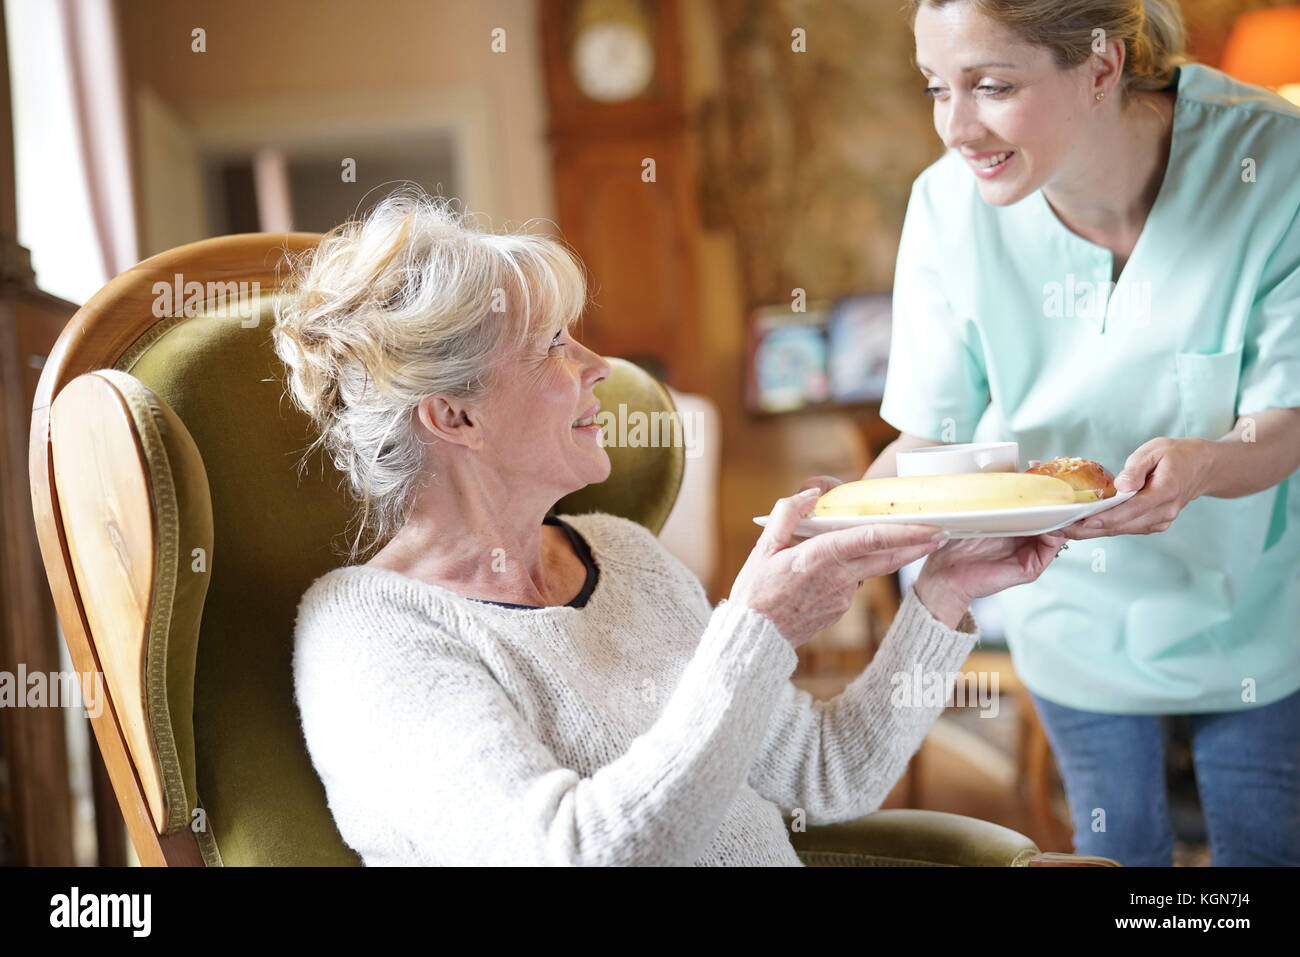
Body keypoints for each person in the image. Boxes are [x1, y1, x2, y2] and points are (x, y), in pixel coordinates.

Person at [273, 189, 1068, 865]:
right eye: (552, 345)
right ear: (455, 415)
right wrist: (755, 631)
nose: (599, 367)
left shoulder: (625, 555)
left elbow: (829, 771)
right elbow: (576, 853)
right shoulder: (366, 638)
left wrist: (942, 594)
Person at [807, 0, 1300, 866]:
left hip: (1255, 606)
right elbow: (930, 443)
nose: (956, 128)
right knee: (1117, 862)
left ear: (1102, 67)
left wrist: (1204, 463)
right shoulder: (946, 210)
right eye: (935, 88)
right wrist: (834, 519)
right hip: (1071, 609)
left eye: (992, 86)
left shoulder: (1274, 163)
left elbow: (1287, 417)